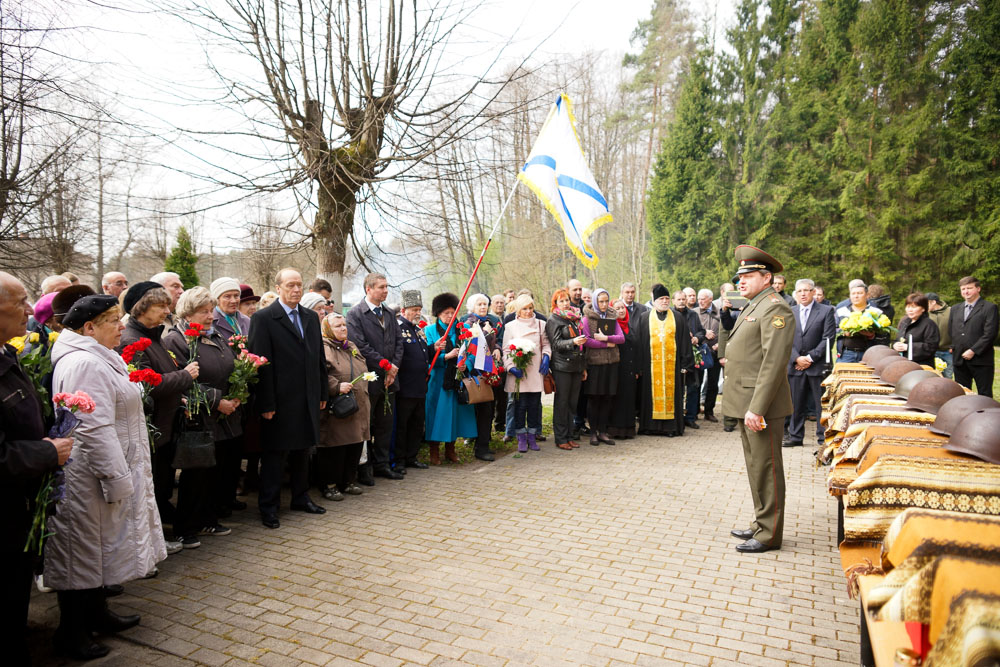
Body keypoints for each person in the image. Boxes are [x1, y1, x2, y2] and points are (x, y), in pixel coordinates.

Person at [48, 295, 167, 659]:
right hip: (90, 475)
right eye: (113, 320)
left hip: (106, 468)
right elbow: (92, 427)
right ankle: (72, 632)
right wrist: (116, 476)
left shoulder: (101, 355)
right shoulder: (85, 362)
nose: (121, 326)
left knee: (100, 550)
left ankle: (98, 614)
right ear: (88, 328)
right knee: (81, 553)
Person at [0, 273, 73, 665]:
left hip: (18, 508)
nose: (31, 310)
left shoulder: (7, 354)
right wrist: (47, 453)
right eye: (20, 302)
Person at [720, 245, 795, 554]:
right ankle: (761, 521)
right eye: (739, 276)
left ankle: (769, 533)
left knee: (767, 467)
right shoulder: (755, 305)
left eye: (748, 275)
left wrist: (757, 408)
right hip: (746, 402)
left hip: (759, 405)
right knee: (755, 466)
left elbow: (773, 363)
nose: (741, 281)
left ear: (767, 278)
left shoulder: (775, 308)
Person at [248, 268, 329, 529]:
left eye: (300, 285)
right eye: (291, 285)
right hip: (279, 399)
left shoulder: (309, 317)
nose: (296, 290)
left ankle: (300, 497)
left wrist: (322, 392)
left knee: (303, 451)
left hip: (307, 396)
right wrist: (266, 403)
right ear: (279, 287)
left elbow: (318, 357)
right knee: (275, 454)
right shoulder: (264, 318)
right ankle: (269, 507)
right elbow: (260, 363)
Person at [162, 287, 241, 545]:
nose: (210, 316)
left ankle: (208, 519)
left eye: (210, 311)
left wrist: (238, 390)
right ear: (188, 312)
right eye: (203, 312)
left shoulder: (215, 334)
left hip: (223, 417)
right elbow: (185, 381)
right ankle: (186, 528)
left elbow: (228, 365)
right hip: (198, 418)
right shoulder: (178, 339)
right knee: (195, 475)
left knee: (214, 474)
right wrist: (217, 401)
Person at [118, 282, 197, 530]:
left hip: (165, 424)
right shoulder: (131, 340)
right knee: (155, 482)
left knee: (163, 481)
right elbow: (145, 384)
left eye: (167, 304)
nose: (167, 310)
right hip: (152, 429)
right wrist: (185, 376)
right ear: (141, 308)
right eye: (160, 305)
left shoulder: (153, 336)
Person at [346, 273, 404, 480]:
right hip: (370, 378)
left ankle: (382, 464)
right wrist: (385, 365)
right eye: (381, 287)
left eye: (386, 286)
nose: (386, 290)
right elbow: (360, 346)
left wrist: (394, 367)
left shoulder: (388, 313)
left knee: (385, 424)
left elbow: (398, 342)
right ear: (368, 289)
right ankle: (364, 467)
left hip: (390, 379)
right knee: (366, 425)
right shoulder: (355, 314)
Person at [317, 312, 369, 500]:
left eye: (344, 325)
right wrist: (335, 386)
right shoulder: (323, 347)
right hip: (338, 406)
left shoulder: (351, 346)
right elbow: (320, 373)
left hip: (358, 405)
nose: (343, 328)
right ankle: (329, 484)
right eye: (338, 326)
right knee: (335, 447)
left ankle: (348, 481)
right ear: (328, 329)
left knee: (355, 445)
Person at [423, 293, 477, 463]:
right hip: (438, 380)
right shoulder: (430, 330)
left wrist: (465, 363)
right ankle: (433, 450)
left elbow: (472, 352)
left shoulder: (462, 329)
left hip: (457, 379)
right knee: (435, 414)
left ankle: (450, 449)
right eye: (446, 313)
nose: (449, 316)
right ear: (438, 314)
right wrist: (445, 356)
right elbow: (426, 355)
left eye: (452, 312)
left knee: (455, 414)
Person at [636, 284, 694, 437]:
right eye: (661, 298)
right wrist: (639, 366)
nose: (664, 301)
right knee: (649, 396)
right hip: (650, 368)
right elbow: (639, 344)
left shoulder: (677, 317)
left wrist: (686, 363)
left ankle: (671, 428)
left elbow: (684, 342)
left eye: (667, 298)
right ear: (654, 300)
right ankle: (650, 427)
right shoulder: (644, 318)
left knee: (673, 396)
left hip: (672, 367)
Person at [784, 279, 836, 448]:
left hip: (818, 366)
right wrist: (796, 358)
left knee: (820, 404)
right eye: (799, 291)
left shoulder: (826, 311)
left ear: (814, 292)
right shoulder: (790, 311)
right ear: (796, 294)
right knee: (795, 403)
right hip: (795, 365)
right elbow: (785, 339)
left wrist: (810, 358)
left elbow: (828, 338)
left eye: (806, 290)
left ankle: (823, 438)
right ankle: (795, 436)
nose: (803, 294)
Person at [503, 294, 551, 452]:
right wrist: (511, 367)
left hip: (535, 372)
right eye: (525, 308)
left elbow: (546, 344)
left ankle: (532, 436)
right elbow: (505, 350)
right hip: (519, 373)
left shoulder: (541, 324)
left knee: (533, 406)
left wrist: (546, 357)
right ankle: (521, 438)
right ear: (518, 309)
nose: (528, 311)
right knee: (519, 406)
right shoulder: (511, 326)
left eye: (531, 308)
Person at [580, 288, 624, 446]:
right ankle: (593, 432)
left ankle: (603, 431)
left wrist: (605, 338)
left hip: (611, 363)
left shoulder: (613, 317)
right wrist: (608, 343)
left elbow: (621, 338)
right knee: (594, 398)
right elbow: (588, 341)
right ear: (595, 302)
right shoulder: (587, 319)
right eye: (601, 301)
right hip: (595, 364)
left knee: (607, 397)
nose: (604, 304)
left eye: (606, 301)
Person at [546, 289, 587, 450]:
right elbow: (555, 344)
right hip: (562, 366)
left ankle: (570, 436)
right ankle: (561, 438)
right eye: (561, 301)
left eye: (567, 300)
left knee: (572, 403)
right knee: (562, 403)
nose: (565, 303)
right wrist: (573, 342)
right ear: (555, 303)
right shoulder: (554, 319)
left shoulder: (575, 318)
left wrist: (583, 367)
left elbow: (582, 346)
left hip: (576, 365)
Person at [463, 293, 502, 462]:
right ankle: (479, 446)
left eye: (485, 304)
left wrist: (498, 348)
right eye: (479, 304)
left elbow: (496, 340)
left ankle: (484, 443)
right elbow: (472, 345)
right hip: (476, 371)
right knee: (481, 409)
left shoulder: (490, 321)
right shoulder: (469, 323)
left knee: (488, 408)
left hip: (489, 369)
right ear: (472, 307)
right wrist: (484, 333)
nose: (483, 307)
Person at [395, 291, 431, 467]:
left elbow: (423, 353)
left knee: (417, 424)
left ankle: (412, 457)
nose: (418, 313)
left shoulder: (418, 330)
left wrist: (434, 347)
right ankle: (399, 459)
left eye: (419, 309)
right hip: (405, 387)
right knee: (402, 426)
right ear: (403, 310)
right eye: (414, 309)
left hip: (420, 386)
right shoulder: (398, 329)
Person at [948, 276, 998, 397]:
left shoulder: (989, 308)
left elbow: (990, 333)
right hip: (960, 359)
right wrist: (953, 346)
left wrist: (973, 350)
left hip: (981, 360)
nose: (966, 291)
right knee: (961, 393)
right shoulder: (955, 309)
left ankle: (985, 415)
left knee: (984, 394)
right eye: (963, 289)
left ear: (978, 288)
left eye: (969, 288)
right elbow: (951, 329)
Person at [673, 290, 706, 429]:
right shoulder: (670, 315)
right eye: (678, 299)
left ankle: (691, 417)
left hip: (691, 356)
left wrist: (696, 338)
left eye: (683, 299)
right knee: (677, 388)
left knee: (693, 387)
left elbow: (701, 331)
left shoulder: (693, 314)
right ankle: (677, 416)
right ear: (673, 301)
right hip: (675, 356)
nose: (681, 301)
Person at [608, 298, 639, 440]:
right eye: (617, 308)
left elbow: (636, 347)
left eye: (622, 308)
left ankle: (628, 429)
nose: (621, 310)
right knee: (618, 400)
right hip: (617, 368)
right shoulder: (611, 326)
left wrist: (637, 369)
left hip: (630, 369)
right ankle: (616, 429)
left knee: (629, 399)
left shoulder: (630, 326)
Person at [834, 279, 885, 362]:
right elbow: (833, 329)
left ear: (867, 295)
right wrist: (843, 332)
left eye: (859, 293)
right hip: (846, 354)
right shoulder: (841, 311)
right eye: (853, 294)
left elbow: (883, 335)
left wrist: (872, 335)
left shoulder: (875, 312)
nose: (856, 296)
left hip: (869, 354)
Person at [893, 292, 940, 366]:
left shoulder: (929, 324)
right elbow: (898, 339)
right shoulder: (904, 322)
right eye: (908, 307)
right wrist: (895, 345)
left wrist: (908, 347)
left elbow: (931, 347)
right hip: (903, 363)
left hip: (921, 366)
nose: (910, 310)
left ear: (923, 309)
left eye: (913, 307)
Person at [696, 289, 722, 423]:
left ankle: (709, 411)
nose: (700, 301)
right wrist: (704, 333)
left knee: (713, 383)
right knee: (697, 382)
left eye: (703, 299)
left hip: (715, 352)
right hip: (699, 352)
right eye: (699, 299)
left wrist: (720, 345)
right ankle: (694, 410)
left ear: (711, 299)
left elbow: (727, 332)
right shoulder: (694, 312)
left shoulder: (721, 312)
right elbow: (691, 330)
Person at [926, 292, 953, 377]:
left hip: (948, 352)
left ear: (933, 302)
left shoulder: (951, 311)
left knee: (947, 377)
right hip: (931, 352)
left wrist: (953, 346)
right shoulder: (925, 314)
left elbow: (958, 330)